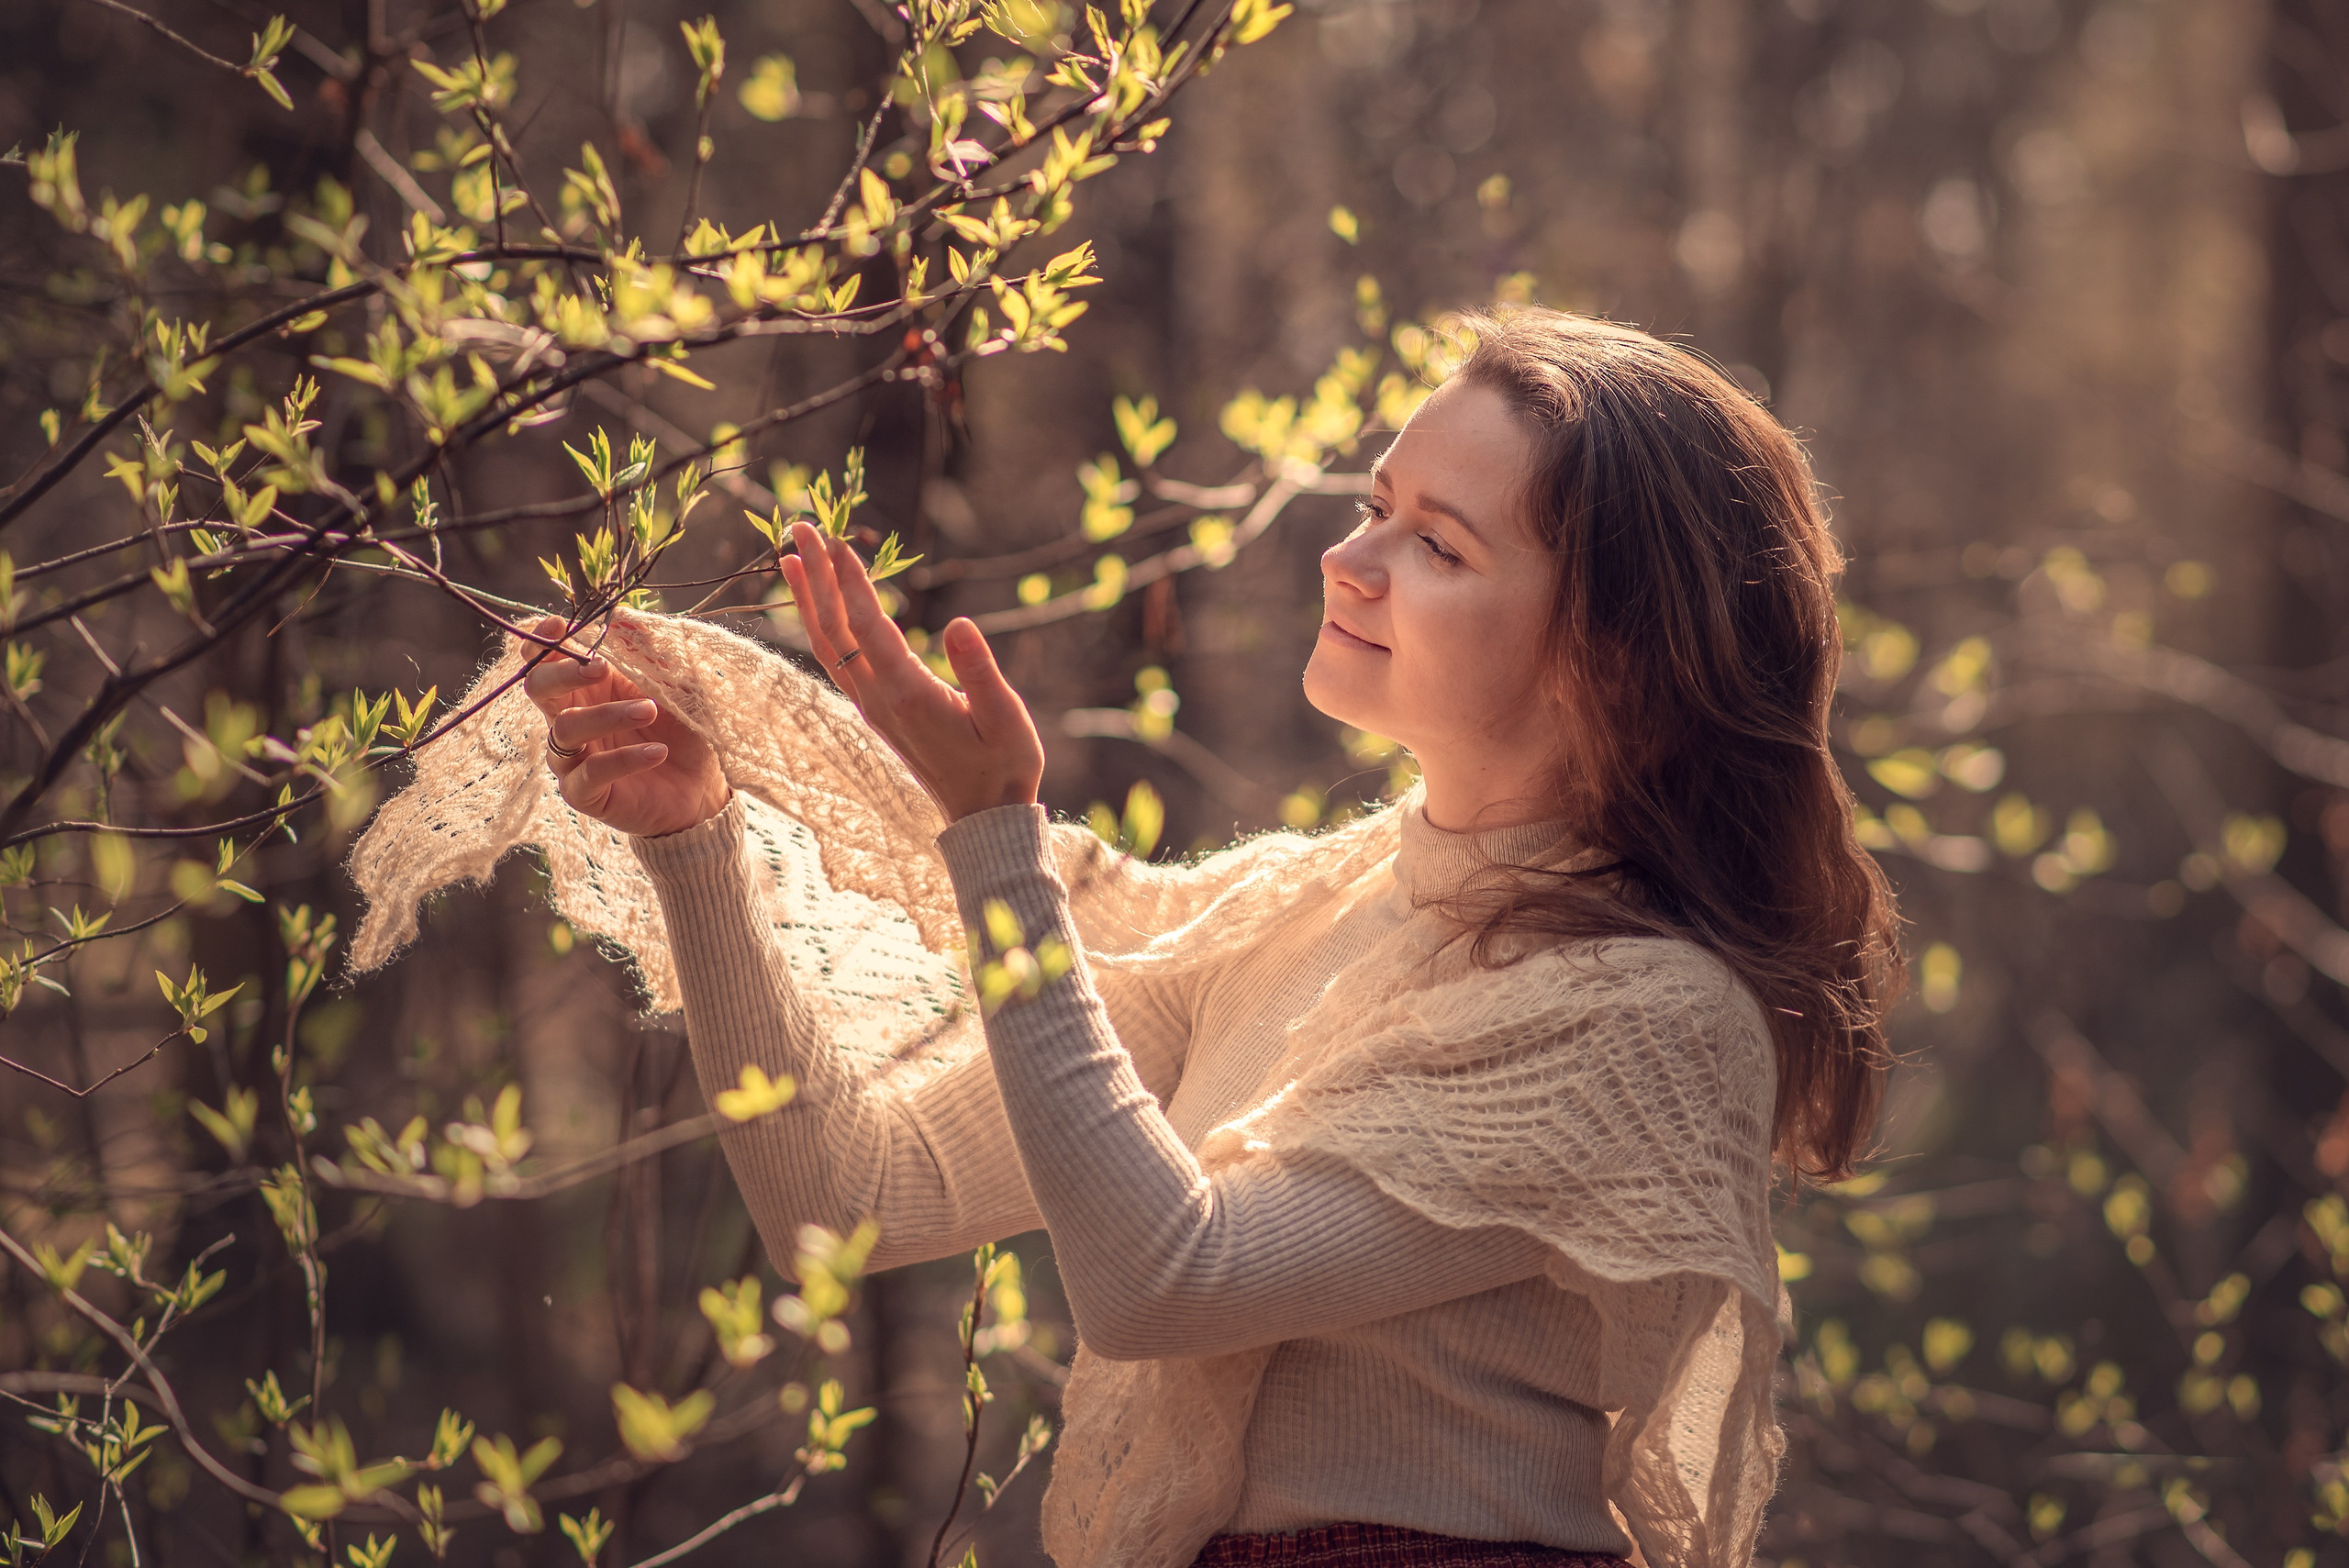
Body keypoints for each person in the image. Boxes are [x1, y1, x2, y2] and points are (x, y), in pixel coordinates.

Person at [352, 306, 1901, 1568]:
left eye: (1439, 544)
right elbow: (852, 1195)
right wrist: (696, 840)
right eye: (1375, 506)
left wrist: (998, 840)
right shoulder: (1292, 913)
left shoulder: (1644, 1013)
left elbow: (1165, 1277)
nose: (1349, 560)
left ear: (1614, 657)